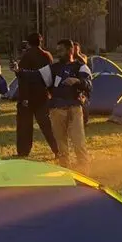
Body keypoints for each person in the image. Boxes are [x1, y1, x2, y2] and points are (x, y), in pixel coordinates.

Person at [14, 39, 93, 171]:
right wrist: (19, 71)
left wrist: (77, 81)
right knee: (61, 144)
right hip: (56, 110)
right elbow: (36, 76)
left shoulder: (81, 67)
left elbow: (89, 85)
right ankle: (65, 171)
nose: (58, 54)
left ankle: (84, 171)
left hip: (75, 109)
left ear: (70, 50)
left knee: (78, 142)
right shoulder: (54, 68)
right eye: (57, 51)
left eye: (61, 51)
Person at [13, 33, 59, 158]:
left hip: (28, 96)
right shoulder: (47, 55)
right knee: (47, 126)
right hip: (43, 95)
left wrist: (24, 97)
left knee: (24, 126)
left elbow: (23, 78)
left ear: (28, 43)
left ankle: (23, 151)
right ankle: (57, 149)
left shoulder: (26, 56)